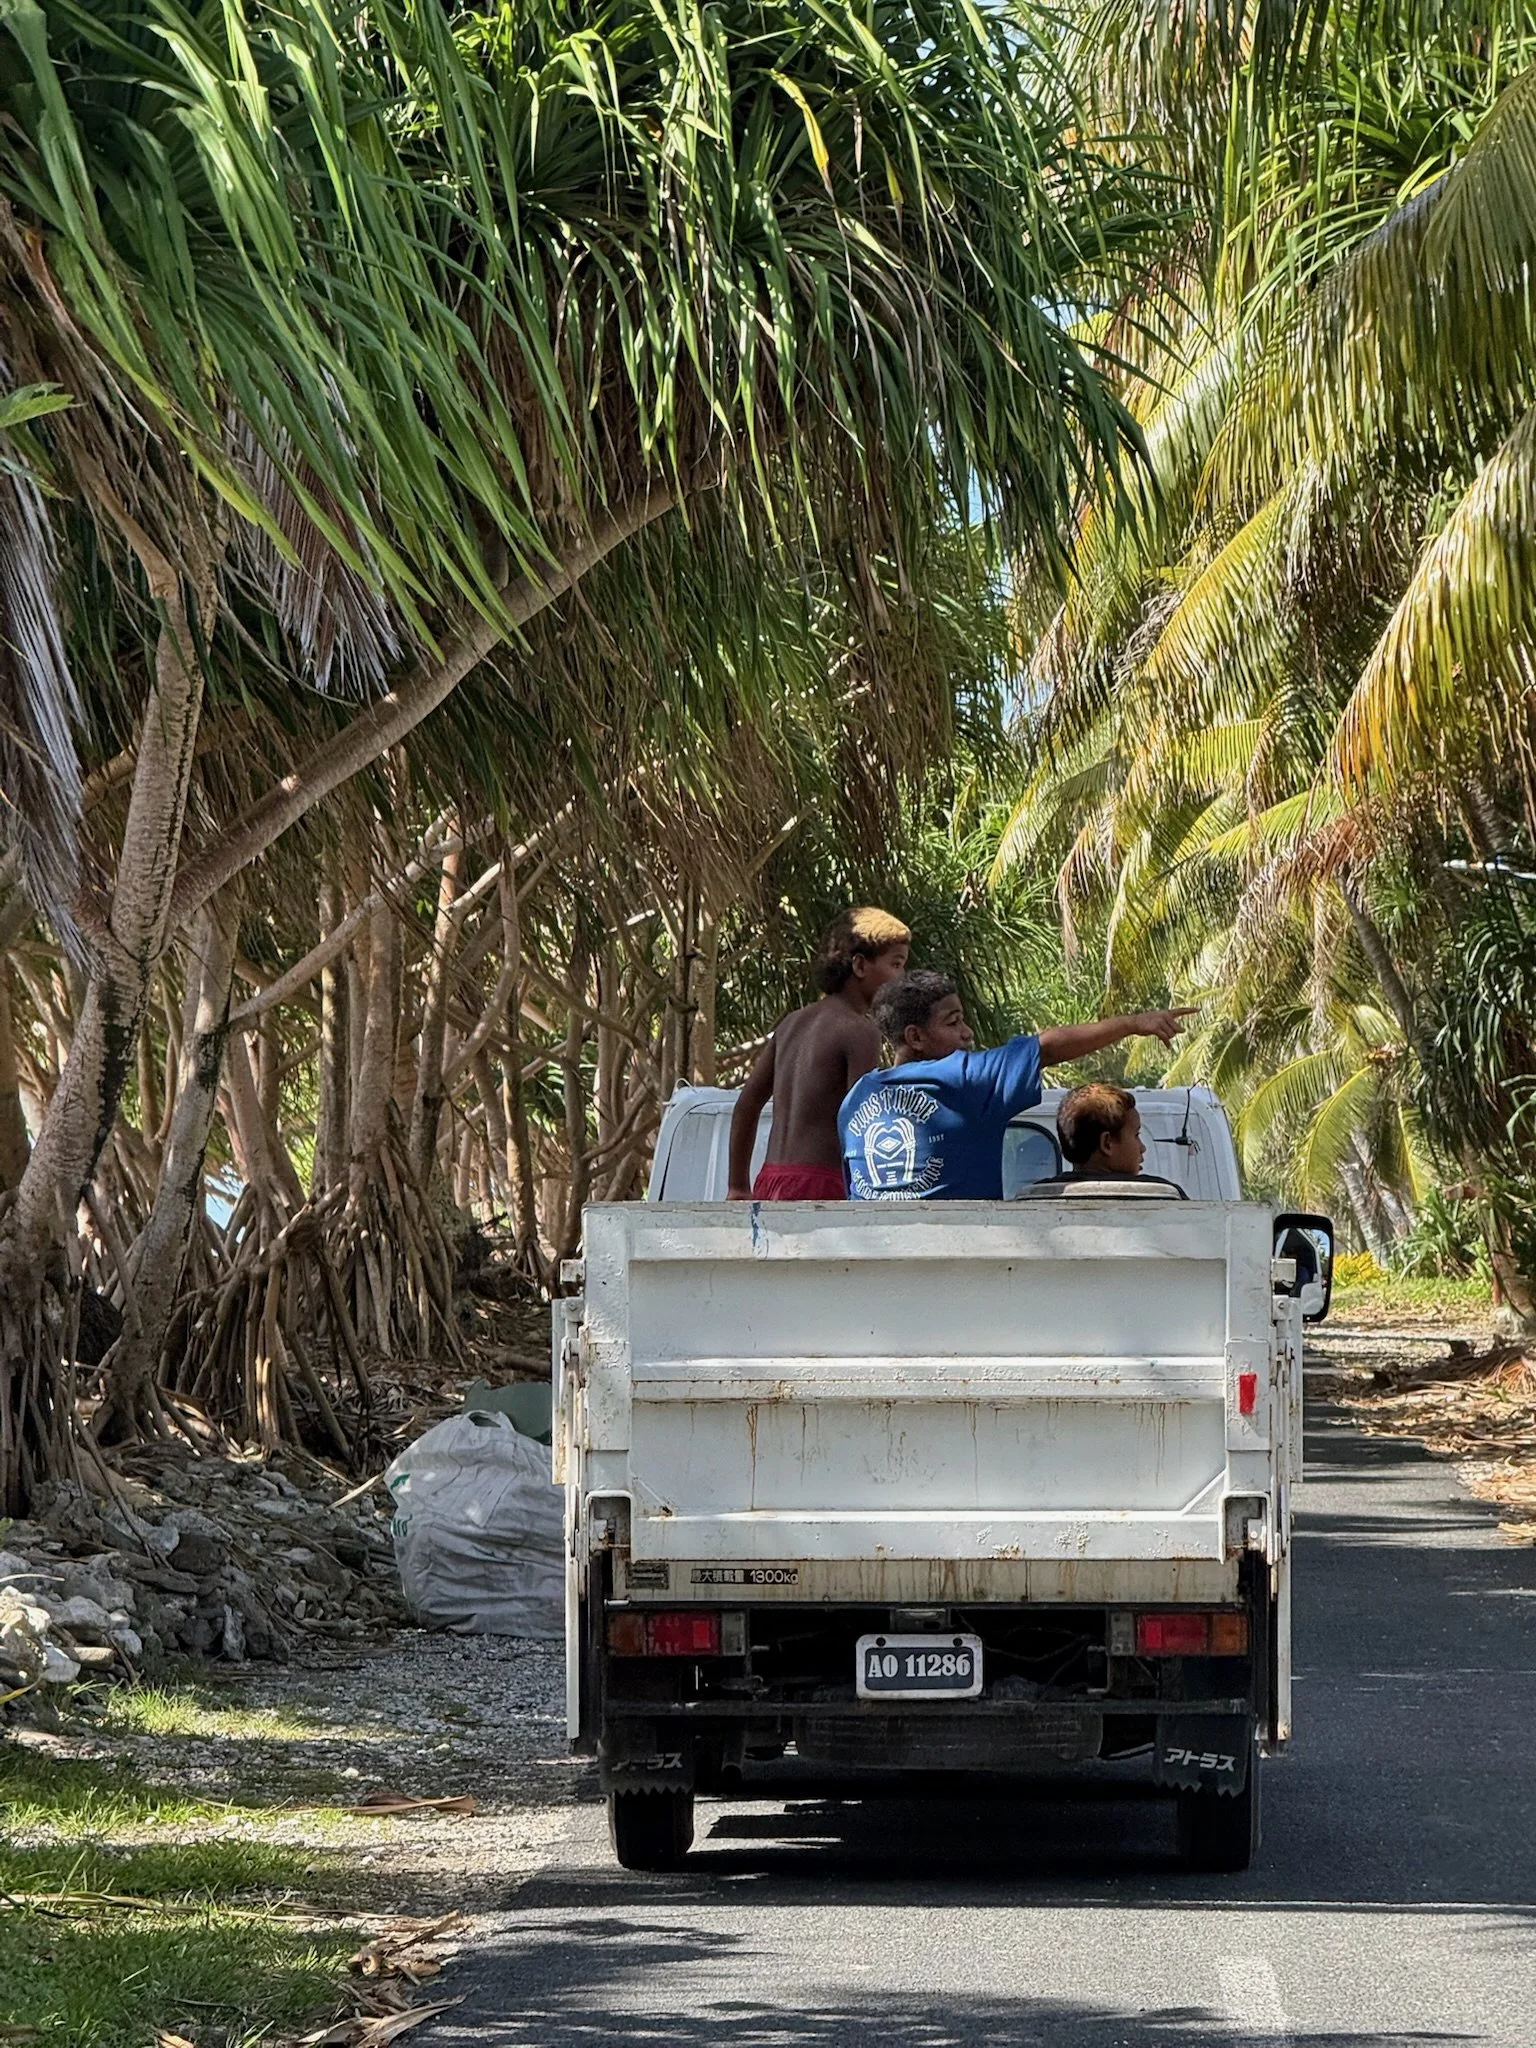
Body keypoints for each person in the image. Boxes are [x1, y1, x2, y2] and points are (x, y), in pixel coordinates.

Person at [839, 970, 1193, 1201]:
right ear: (915, 1037)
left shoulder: (856, 1099)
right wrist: (1132, 1023)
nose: (967, 1033)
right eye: (954, 1022)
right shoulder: (964, 1077)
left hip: (875, 1270)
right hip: (958, 1266)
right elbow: (1048, 1046)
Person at [728, 907, 912, 1201]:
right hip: (822, 1185)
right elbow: (864, 1122)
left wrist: (737, 1186)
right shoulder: (860, 1031)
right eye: (896, 964)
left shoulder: (791, 1023)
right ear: (860, 966)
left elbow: (746, 1105)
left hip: (770, 1181)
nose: (901, 977)